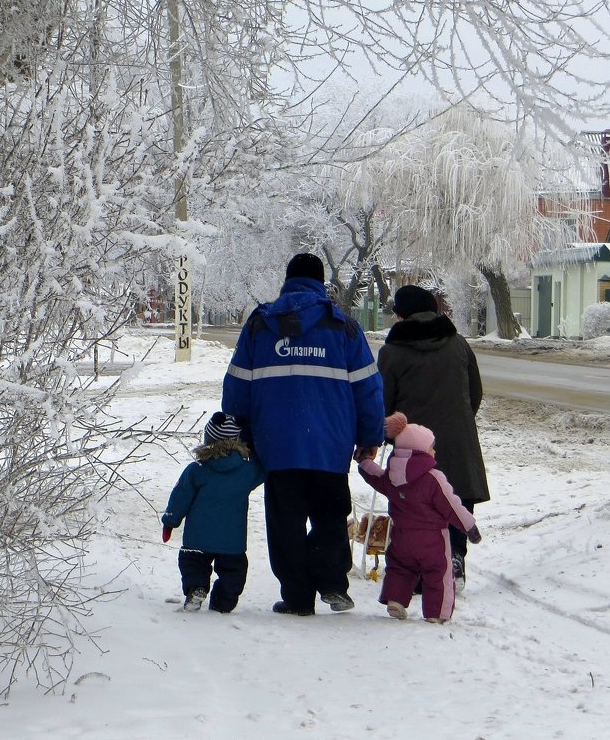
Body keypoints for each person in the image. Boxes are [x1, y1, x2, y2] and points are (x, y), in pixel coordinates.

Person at [222, 253, 384, 616]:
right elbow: (368, 388)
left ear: (287, 279)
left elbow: (236, 386)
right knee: (330, 515)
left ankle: (297, 597)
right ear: (321, 282)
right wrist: (370, 436)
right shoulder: (343, 328)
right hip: (330, 444)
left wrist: (238, 433)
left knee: (285, 523)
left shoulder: (260, 325)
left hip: (276, 445)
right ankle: (330, 582)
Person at [378, 284, 490, 591]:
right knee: (455, 498)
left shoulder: (392, 353)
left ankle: (418, 574)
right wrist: (458, 421)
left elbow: (383, 405)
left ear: (401, 315)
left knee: (415, 508)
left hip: (412, 448)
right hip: (457, 440)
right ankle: (455, 560)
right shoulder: (459, 345)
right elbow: (475, 392)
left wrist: (393, 436)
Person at [356, 412, 482, 623]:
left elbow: (375, 476)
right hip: (432, 541)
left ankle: (395, 601)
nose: (434, 451)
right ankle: (436, 614)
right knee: (438, 574)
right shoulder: (433, 478)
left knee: (400, 568)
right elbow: (452, 505)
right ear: (422, 451)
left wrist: (364, 461)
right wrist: (469, 526)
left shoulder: (393, 476)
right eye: (431, 447)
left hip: (402, 538)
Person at [161, 412, 267, 613]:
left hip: (197, 536)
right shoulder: (247, 470)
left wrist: (170, 521)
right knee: (233, 571)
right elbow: (264, 471)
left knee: (192, 562)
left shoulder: (197, 469)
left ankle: (196, 588)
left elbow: (180, 496)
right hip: (232, 540)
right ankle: (223, 602)